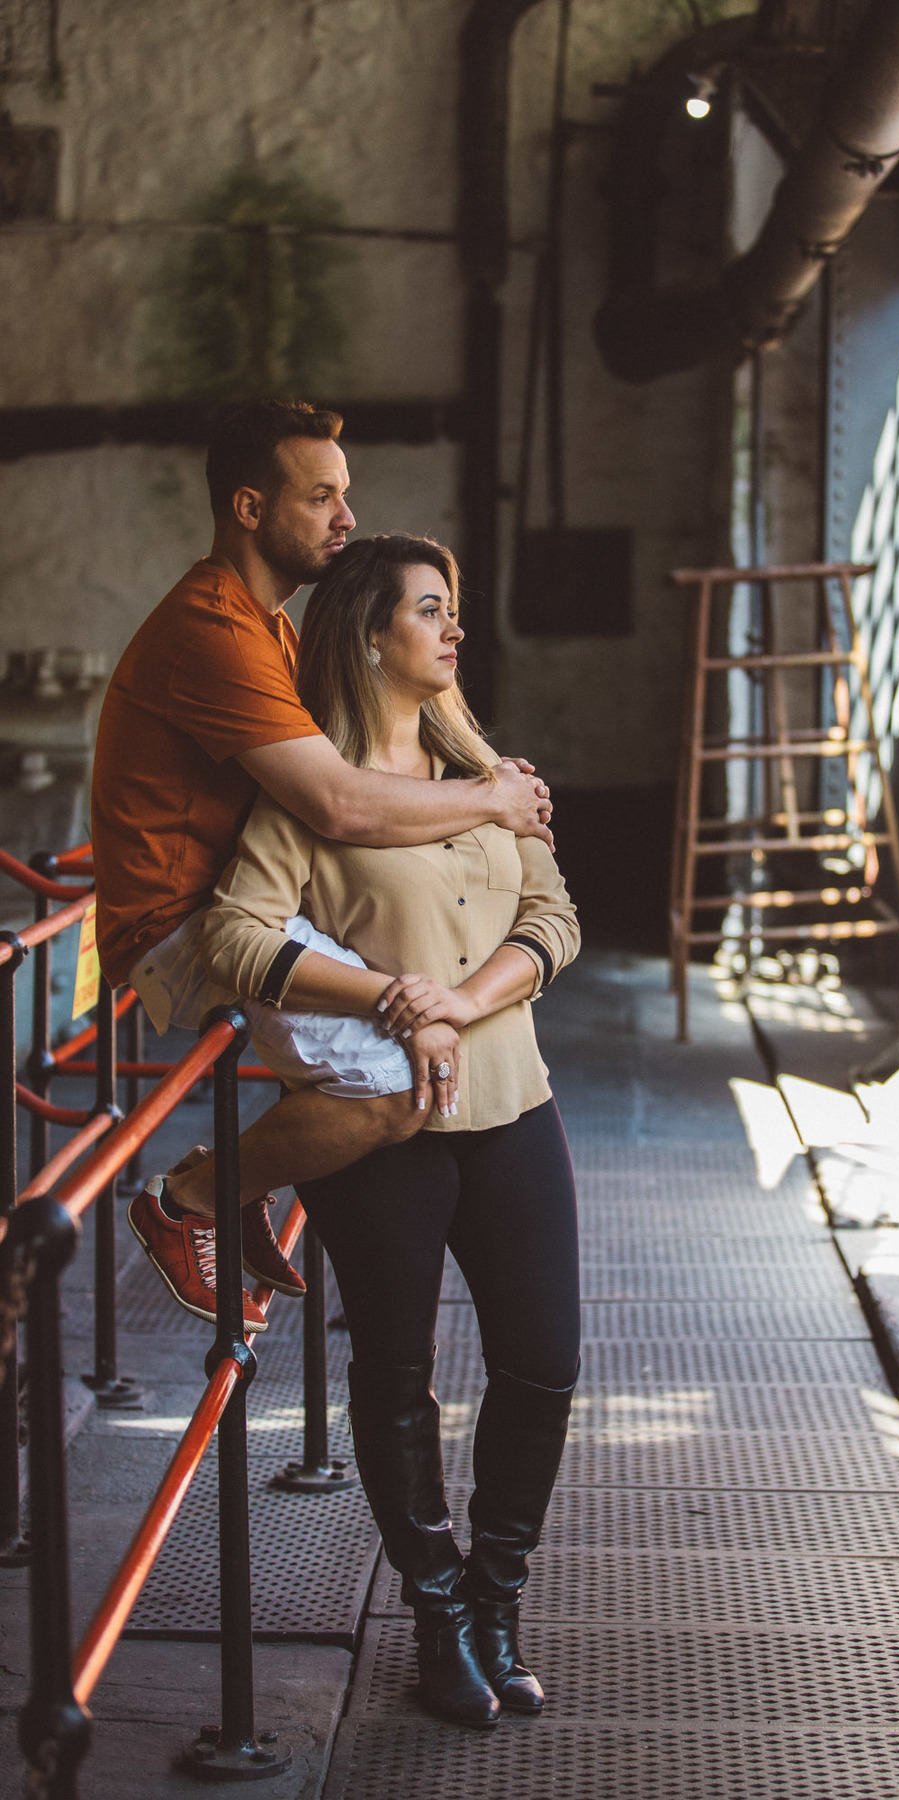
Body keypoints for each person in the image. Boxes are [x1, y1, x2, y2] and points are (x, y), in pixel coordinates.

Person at [199, 533, 581, 1729]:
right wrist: (386, 996)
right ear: (370, 634)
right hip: (387, 1134)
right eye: (429, 609)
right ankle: (435, 1611)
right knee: (398, 1375)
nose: (452, 629)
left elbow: (555, 914)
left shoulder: (487, 771)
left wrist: (462, 1000)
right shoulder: (312, 799)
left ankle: (496, 1593)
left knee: (545, 1359)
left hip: (511, 1097)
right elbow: (230, 938)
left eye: (451, 609)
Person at [91, 400, 553, 1333]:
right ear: (251, 507)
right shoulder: (213, 628)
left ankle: (244, 1183)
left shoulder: (269, 627)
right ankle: (189, 1199)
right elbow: (337, 802)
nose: (347, 518)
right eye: (322, 497)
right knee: (396, 1085)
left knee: (398, 1037)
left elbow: (346, 784)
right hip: (184, 922)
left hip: (235, 897)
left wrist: (477, 783)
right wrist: (490, 799)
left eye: (348, 497)